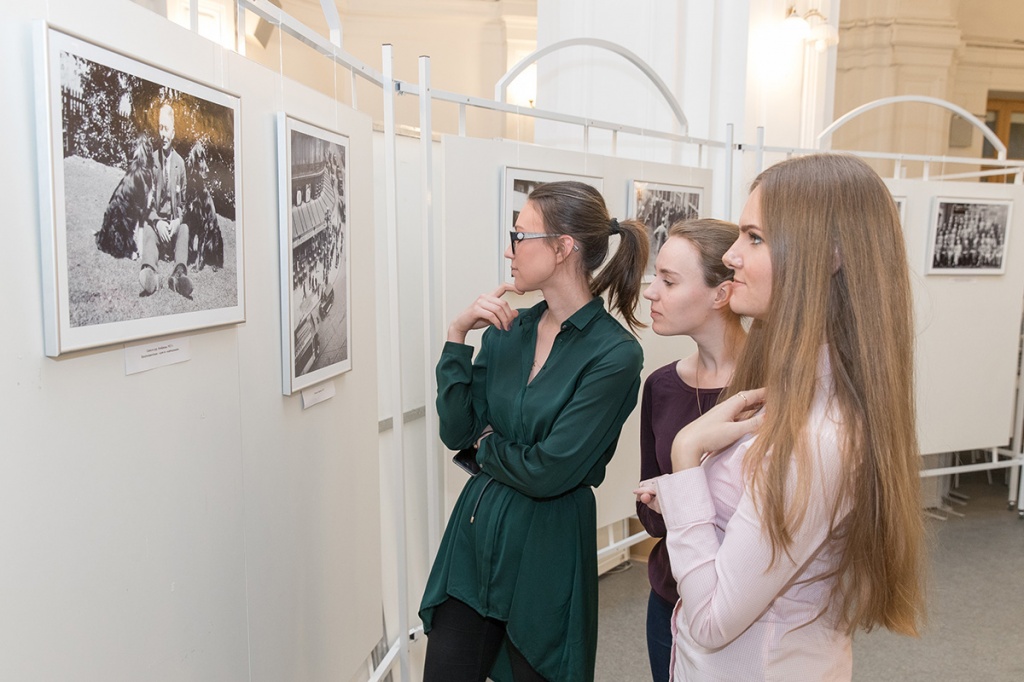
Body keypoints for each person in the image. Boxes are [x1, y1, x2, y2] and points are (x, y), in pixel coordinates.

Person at [635, 154, 925, 680]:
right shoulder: (793, 391)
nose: (731, 256)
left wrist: (686, 456)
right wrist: (695, 492)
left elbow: (711, 618)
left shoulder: (819, 435)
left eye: (755, 238)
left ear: (829, 255)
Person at [420, 181, 649, 682]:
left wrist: (486, 446)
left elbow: (550, 471)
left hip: (546, 552)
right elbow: (456, 429)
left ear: (563, 247)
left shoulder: (614, 355)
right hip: (475, 538)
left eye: (520, 236)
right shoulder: (510, 329)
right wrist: (457, 336)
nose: (509, 249)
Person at [635, 219, 746, 682]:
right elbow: (651, 517)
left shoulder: (775, 388)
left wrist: (680, 493)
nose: (651, 293)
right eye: (654, 277)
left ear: (720, 295)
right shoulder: (661, 385)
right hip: (670, 602)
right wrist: (665, 499)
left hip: (747, 610)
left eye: (669, 281)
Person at [140, 102, 192, 298]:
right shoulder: (151, 161)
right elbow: (147, 203)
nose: (162, 133)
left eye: (166, 128)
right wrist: (157, 222)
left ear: (173, 132)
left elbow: (185, 204)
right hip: (158, 226)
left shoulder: (180, 164)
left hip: (173, 226)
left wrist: (177, 220)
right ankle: (150, 274)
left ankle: (178, 276)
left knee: (185, 229)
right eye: (160, 128)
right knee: (147, 229)